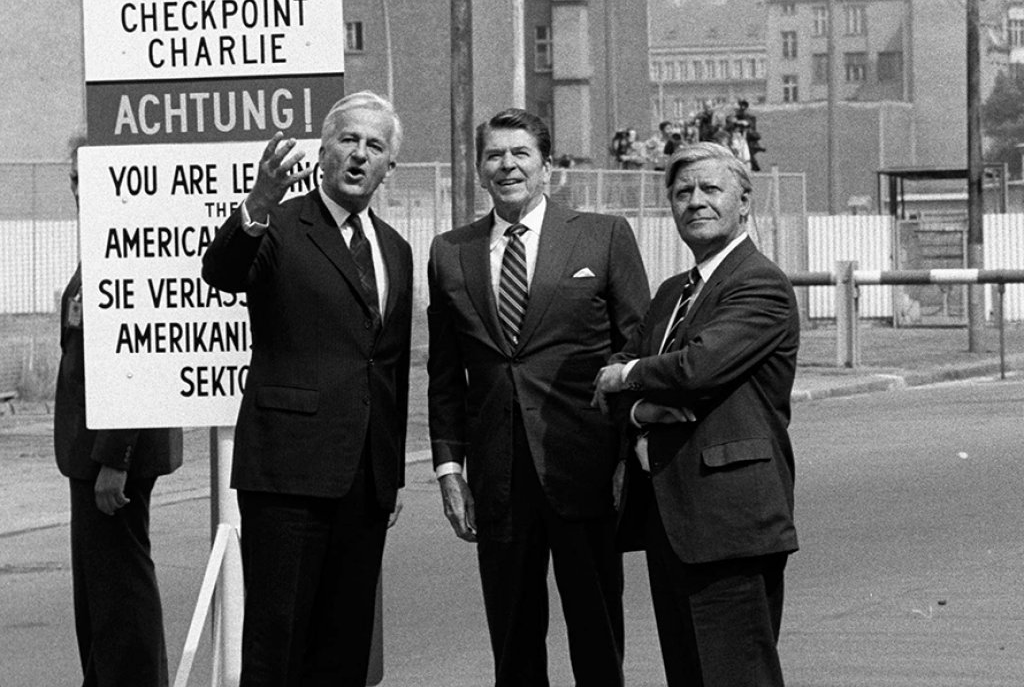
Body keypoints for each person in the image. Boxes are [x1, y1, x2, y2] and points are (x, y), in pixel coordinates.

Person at [427, 108, 650, 686]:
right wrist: (450, 468)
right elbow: (447, 374)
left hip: (585, 471)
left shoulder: (603, 237)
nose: (508, 166)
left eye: (521, 154)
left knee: (597, 638)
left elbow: (636, 350)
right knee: (514, 642)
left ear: (546, 166)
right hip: (498, 479)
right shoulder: (450, 253)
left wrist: (627, 454)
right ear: (478, 171)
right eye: (494, 156)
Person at [201, 91, 412, 686]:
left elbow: (387, 368)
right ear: (322, 152)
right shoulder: (282, 226)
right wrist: (258, 203)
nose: (358, 155)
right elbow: (221, 272)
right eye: (348, 140)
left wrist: (388, 472)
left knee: (344, 652)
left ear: (388, 168)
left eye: (374, 146)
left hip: (365, 483)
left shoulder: (393, 248)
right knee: (278, 647)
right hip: (287, 475)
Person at [592, 142, 799, 686]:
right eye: (683, 192)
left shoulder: (760, 283)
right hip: (670, 520)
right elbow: (612, 388)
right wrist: (639, 406)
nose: (695, 202)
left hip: (729, 524)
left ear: (745, 202)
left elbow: (698, 369)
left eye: (710, 189)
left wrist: (628, 374)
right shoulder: (669, 295)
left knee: (735, 676)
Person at [55, 135, 183, 687]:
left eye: (92, 178)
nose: (83, 192)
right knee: (100, 596)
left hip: (114, 455)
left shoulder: (128, 244)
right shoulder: (100, 240)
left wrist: (116, 458)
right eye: (76, 180)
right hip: (90, 453)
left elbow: (137, 357)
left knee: (120, 594)